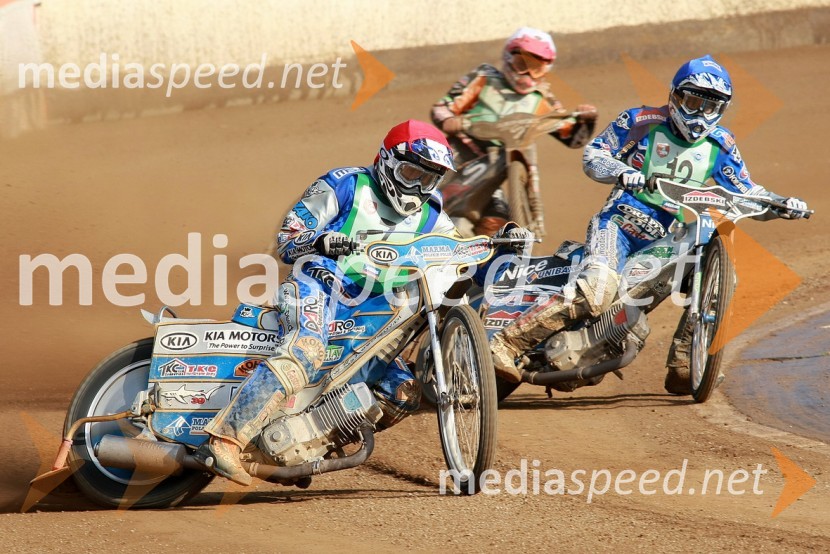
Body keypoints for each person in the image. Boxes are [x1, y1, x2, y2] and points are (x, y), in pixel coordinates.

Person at [198, 120, 529, 485]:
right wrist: (320, 241)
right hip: (319, 286)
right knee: (305, 350)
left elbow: (460, 262)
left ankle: (306, 447)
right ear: (387, 161)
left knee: (401, 392)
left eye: (429, 179)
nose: (418, 187)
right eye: (410, 173)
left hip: (374, 311)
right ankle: (225, 439)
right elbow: (287, 239)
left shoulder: (432, 215)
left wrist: (503, 249)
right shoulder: (345, 184)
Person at [489, 55, 809, 393]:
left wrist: (781, 204)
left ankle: (686, 362)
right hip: (616, 227)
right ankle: (506, 345)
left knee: (722, 280)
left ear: (722, 109)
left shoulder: (722, 145)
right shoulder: (640, 120)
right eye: (692, 101)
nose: (699, 114)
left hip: (662, 238)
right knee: (596, 293)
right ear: (675, 96)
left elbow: (746, 192)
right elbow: (594, 155)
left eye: (709, 106)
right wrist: (622, 171)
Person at [431, 26, 598, 236]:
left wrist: (586, 120)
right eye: (522, 64)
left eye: (535, 68)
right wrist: (449, 119)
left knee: (495, 225)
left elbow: (571, 136)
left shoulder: (542, 98)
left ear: (546, 70)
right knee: (437, 207)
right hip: (461, 158)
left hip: (500, 172)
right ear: (508, 58)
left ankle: (498, 257)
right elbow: (442, 106)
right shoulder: (484, 78)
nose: (527, 73)